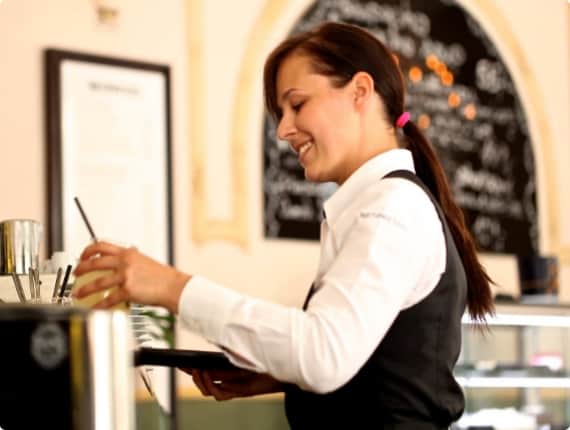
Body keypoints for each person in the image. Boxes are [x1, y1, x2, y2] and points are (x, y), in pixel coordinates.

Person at [74, 21, 494, 429]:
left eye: (297, 105)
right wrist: (283, 377)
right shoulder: (380, 204)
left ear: (360, 92)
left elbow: (323, 353)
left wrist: (170, 287)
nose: (283, 130)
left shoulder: (393, 207)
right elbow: (371, 361)